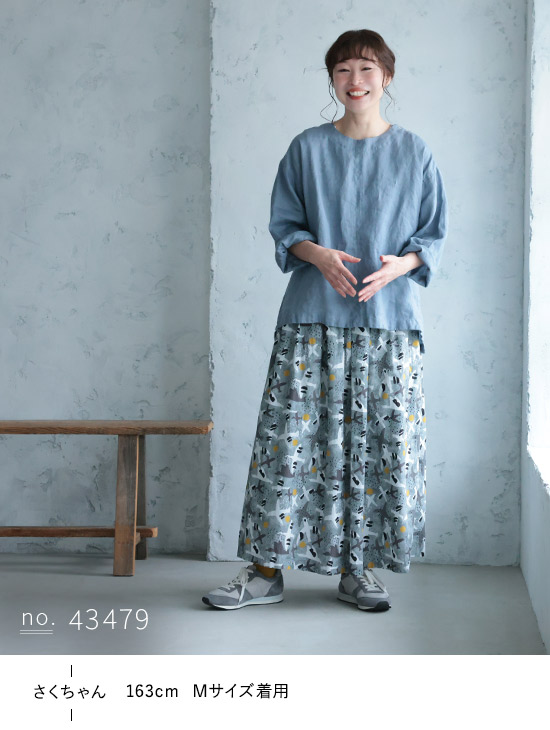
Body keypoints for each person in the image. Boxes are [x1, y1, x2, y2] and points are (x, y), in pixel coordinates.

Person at [202, 29, 448, 612]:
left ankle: (358, 571)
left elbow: (432, 237)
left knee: (378, 447)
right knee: (287, 446)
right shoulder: (306, 148)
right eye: (342, 70)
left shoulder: (415, 152)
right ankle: (265, 573)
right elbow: (286, 226)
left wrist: (400, 266)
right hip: (311, 321)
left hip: (388, 324)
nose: (354, 80)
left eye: (365, 68)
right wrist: (318, 254)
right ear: (332, 80)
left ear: (386, 76)